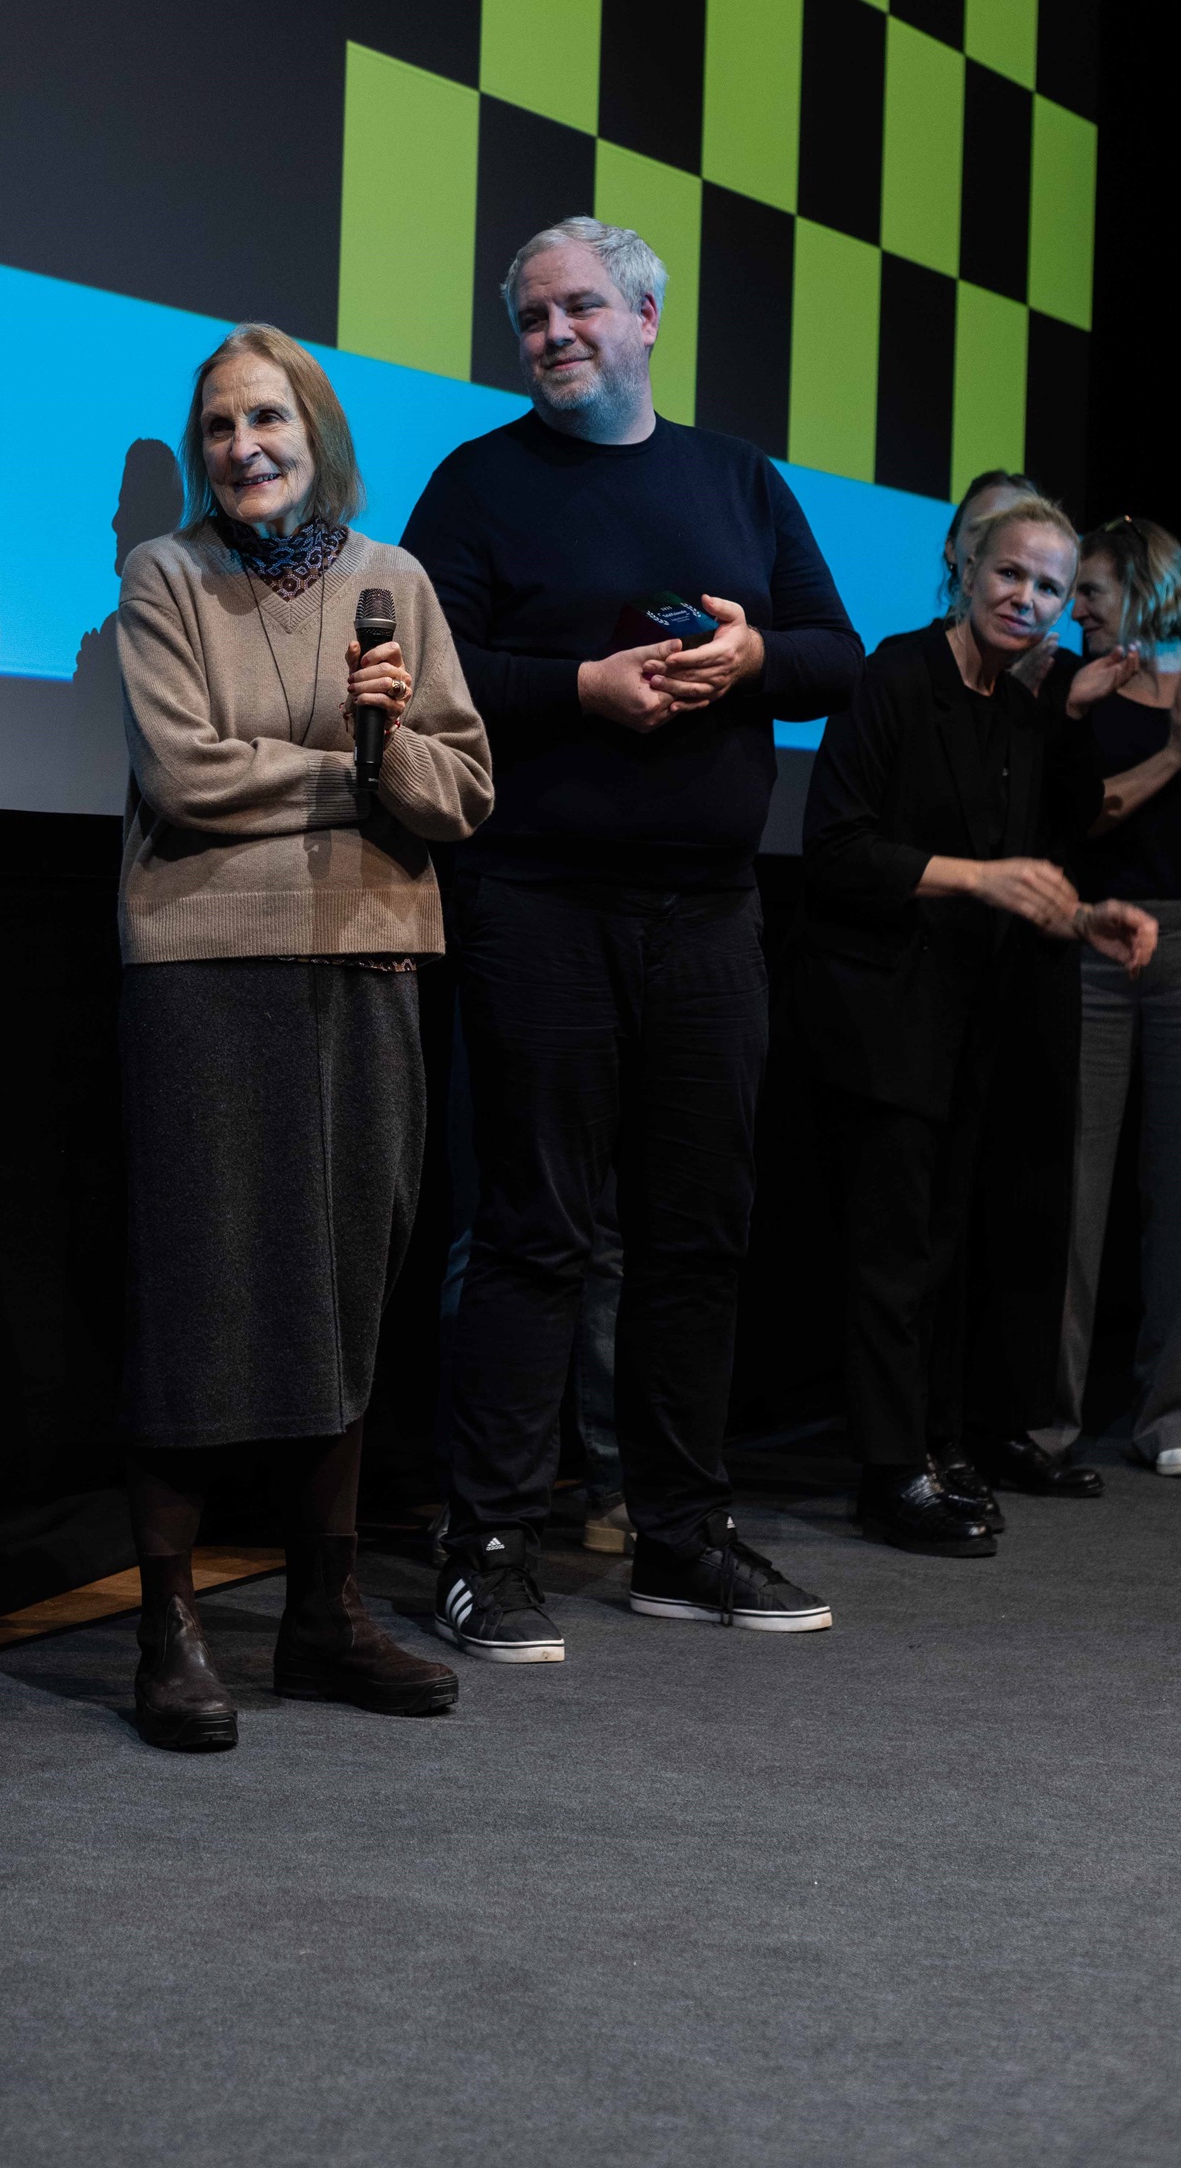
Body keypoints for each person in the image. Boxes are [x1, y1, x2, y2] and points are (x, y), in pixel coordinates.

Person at [403, 214, 861, 1660]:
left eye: (580, 307)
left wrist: (750, 656)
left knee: (696, 1236)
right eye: (531, 317)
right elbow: (422, 667)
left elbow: (838, 656)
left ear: (647, 318)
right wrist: (577, 689)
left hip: (712, 916)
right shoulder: (476, 483)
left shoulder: (737, 478)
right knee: (532, 1231)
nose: (552, 334)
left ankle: (681, 1532)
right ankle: (487, 1544)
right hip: (537, 903)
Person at [114, 323, 492, 1751]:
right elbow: (186, 777)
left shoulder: (396, 582)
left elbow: (462, 789)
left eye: (266, 419)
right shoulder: (164, 576)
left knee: (347, 1287)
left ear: (316, 433)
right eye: (218, 425)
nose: (242, 447)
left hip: (372, 955)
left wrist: (395, 760)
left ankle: (322, 1613)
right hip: (205, 962)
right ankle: (167, 1624)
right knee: (201, 1286)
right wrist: (359, 769)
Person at [800, 496, 1156, 1554]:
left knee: (947, 1250)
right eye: (1010, 574)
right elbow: (836, 848)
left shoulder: (1018, 707)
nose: (1027, 600)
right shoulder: (895, 676)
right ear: (963, 567)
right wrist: (978, 877)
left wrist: (1085, 917)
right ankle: (886, 1472)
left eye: (1050, 587)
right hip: (882, 1011)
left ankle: (935, 1446)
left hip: (971, 1016)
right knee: (893, 1254)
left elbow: (1030, 864)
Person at [1033, 518, 1181, 1476]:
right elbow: (1083, 813)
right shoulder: (1068, 688)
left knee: (1176, 1189)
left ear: (1144, 589)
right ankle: (1048, 1420)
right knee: (1074, 1191)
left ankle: (1168, 1416)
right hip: (1092, 936)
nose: (1073, 609)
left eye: (1090, 591)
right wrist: (1173, 754)